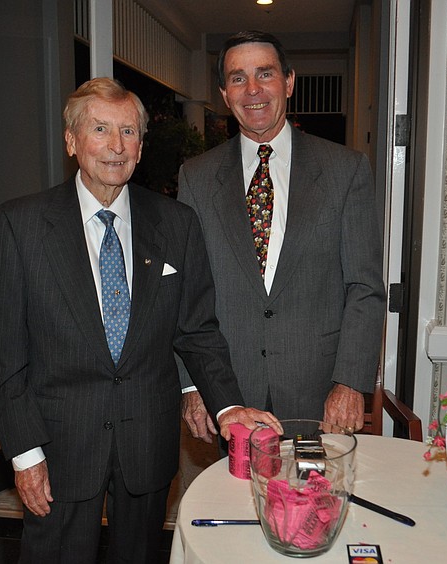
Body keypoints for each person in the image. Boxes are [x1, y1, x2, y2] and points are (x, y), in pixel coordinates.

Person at [0, 77, 280, 563]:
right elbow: (7, 359)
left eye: (128, 132)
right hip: (60, 445)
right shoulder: (20, 226)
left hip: (146, 441)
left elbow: (197, 331)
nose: (116, 146)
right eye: (100, 129)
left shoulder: (176, 224)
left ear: (141, 147)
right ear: (71, 140)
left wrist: (227, 408)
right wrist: (25, 455)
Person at [177, 31, 386, 444]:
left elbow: (364, 287)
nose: (252, 90)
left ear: (288, 82)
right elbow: (186, 293)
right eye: (238, 78)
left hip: (318, 394)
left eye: (265, 74)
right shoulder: (196, 177)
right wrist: (192, 385)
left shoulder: (345, 170)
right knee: (236, 507)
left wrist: (349, 382)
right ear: (223, 93)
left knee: (315, 506)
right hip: (228, 395)